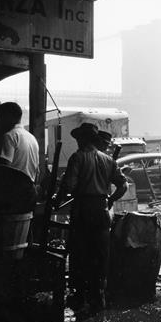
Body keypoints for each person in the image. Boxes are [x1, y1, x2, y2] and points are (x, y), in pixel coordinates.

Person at [56, 122, 127, 312]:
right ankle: (98, 296)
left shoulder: (77, 157)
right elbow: (123, 186)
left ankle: (79, 296)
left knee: (80, 253)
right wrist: (110, 200)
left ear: (82, 139)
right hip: (102, 211)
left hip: (82, 210)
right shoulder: (107, 160)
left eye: (79, 138)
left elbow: (69, 186)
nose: (77, 142)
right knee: (100, 253)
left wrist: (60, 194)